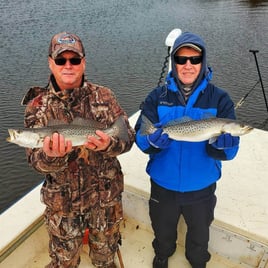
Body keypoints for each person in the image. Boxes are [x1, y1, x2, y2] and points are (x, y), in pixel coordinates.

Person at [21, 32, 135, 268]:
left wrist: (109, 144)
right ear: (51, 63)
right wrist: (50, 156)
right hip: (63, 208)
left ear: (83, 62)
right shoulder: (37, 106)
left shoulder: (104, 95)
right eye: (61, 60)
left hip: (105, 201)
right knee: (64, 263)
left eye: (74, 60)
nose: (68, 66)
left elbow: (128, 136)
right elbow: (35, 161)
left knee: (105, 259)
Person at [134, 31, 240, 268]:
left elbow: (231, 152)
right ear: (174, 62)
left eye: (194, 59)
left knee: (200, 232)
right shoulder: (156, 96)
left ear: (203, 61)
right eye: (181, 59)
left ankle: (197, 259)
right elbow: (140, 135)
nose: (188, 65)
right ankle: (163, 254)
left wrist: (224, 147)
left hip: (202, 186)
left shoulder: (220, 99)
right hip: (163, 184)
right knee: (162, 228)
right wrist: (151, 142)